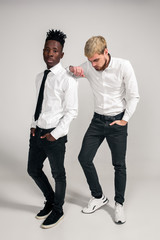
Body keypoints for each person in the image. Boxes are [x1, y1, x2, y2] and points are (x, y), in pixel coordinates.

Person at [69, 36, 139, 224]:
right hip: (97, 121)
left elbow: (134, 96)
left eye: (96, 60)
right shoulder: (89, 65)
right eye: (90, 61)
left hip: (117, 121)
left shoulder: (124, 66)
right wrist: (73, 70)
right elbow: (74, 72)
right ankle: (98, 196)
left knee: (119, 165)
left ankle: (119, 205)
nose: (93, 64)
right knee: (84, 158)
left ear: (105, 52)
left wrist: (124, 120)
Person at [27, 29, 78, 229]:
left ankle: (58, 210)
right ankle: (50, 201)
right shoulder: (40, 77)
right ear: (43, 51)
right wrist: (33, 125)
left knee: (58, 174)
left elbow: (72, 111)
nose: (50, 53)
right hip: (37, 132)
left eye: (55, 51)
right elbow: (40, 104)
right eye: (47, 50)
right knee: (33, 169)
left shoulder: (68, 78)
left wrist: (55, 134)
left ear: (61, 54)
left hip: (55, 135)